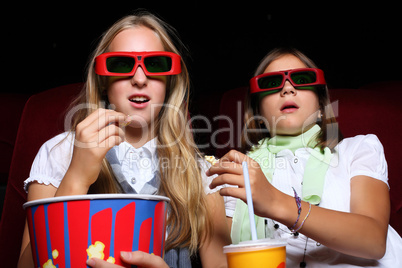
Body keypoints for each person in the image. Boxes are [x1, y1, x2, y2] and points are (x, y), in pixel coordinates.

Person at [18, 11, 230, 268]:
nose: (139, 79)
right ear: (103, 81)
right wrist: (76, 177)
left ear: (170, 82)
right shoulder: (58, 153)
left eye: (155, 64)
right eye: (120, 64)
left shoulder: (201, 174)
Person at [208, 47, 402, 267]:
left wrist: (274, 202)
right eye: (271, 83)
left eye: (302, 79)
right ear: (258, 113)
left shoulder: (358, 150)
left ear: (321, 106)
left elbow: (373, 241)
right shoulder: (238, 172)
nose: (288, 89)